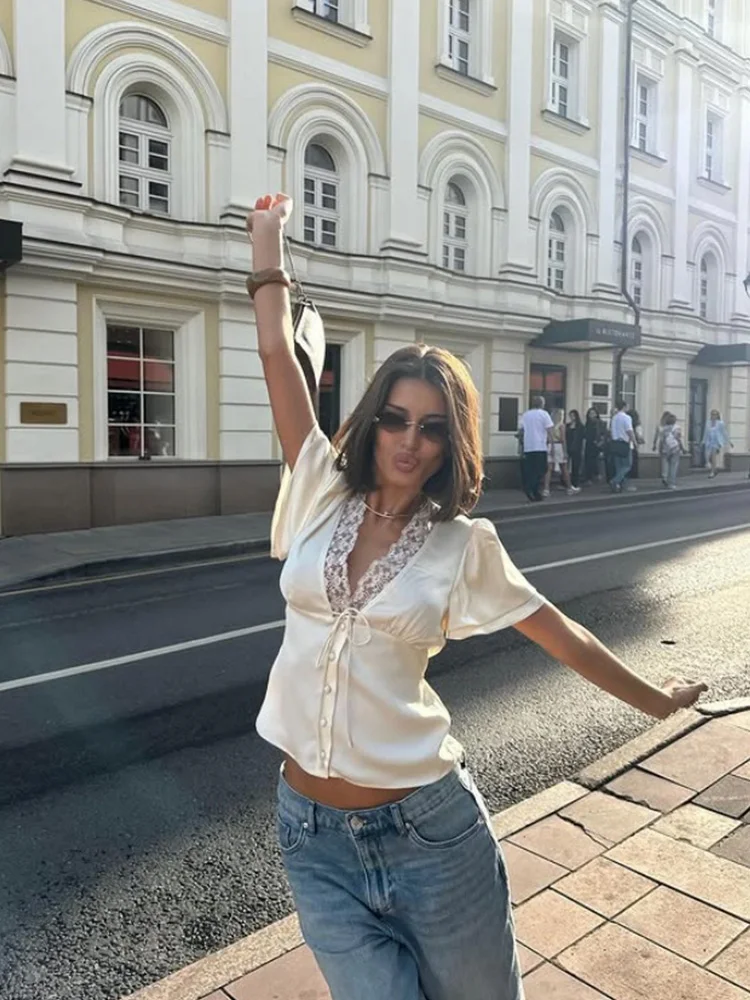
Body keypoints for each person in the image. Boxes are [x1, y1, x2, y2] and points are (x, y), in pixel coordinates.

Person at [247, 192, 708, 1000]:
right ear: (373, 421)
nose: (409, 440)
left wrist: (657, 702)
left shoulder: (462, 545)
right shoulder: (318, 486)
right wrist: (266, 249)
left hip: (429, 835)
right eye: (396, 419)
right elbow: (278, 358)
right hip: (310, 836)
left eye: (431, 427)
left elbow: (561, 634)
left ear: (448, 440)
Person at [520, 397, 553, 501]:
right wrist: (551, 445)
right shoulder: (544, 414)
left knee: (531, 469)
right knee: (541, 469)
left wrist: (522, 444)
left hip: (528, 447)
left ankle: (534, 491)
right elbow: (549, 430)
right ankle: (531, 487)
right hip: (540, 446)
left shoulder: (526, 415)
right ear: (542, 404)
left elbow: (521, 430)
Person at [543, 409, 580, 497]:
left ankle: (546, 489)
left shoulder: (549, 425)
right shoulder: (561, 425)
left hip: (550, 446)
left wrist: (550, 446)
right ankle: (569, 488)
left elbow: (548, 437)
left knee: (549, 469)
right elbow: (563, 439)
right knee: (564, 468)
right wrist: (565, 451)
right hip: (559, 446)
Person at [609, 399, 637, 493]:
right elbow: (629, 431)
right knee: (627, 465)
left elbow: (611, 430)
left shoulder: (614, 418)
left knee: (619, 466)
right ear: (624, 407)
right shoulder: (627, 417)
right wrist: (635, 442)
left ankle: (619, 486)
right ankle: (615, 481)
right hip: (624, 443)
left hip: (615, 443)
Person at [653, 411, 685, 490]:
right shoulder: (677, 428)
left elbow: (661, 440)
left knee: (665, 464)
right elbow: (678, 439)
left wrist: (659, 448)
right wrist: (682, 448)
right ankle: (671, 483)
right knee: (673, 466)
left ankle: (665, 477)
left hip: (665, 449)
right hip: (675, 449)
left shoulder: (663, 429)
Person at [703, 409, 733, 478]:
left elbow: (724, 433)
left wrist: (729, 441)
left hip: (716, 442)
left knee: (713, 456)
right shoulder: (708, 423)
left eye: (715, 414)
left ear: (717, 416)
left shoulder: (720, 423)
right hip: (709, 441)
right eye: (712, 414)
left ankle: (712, 472)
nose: (713, 416)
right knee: (709, 457)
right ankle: (715, 469)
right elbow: (705, 432)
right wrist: (703, 441)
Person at [583, 407, 605, 484]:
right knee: (588, 461)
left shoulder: (600, 422)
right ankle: (589, 478)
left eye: (593, 413)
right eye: (590, 413)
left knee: (595, 461)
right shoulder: (587, 423)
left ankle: (597, 475)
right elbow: (585, 434)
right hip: (589, 444)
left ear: (596, 414)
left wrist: (600, 443)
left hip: (596, 444)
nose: (591, 415)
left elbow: (602, 434)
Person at [566, 410, 585, 489]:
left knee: (575, 466)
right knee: (566, 466)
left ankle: (575, 482)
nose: (572, 417)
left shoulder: (580, 426)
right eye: (570, 416)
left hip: (577, 448)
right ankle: (566, 482)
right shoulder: (567, 425)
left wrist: (583, 449)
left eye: (573, 415)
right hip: (568, 447)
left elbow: (583, 438)